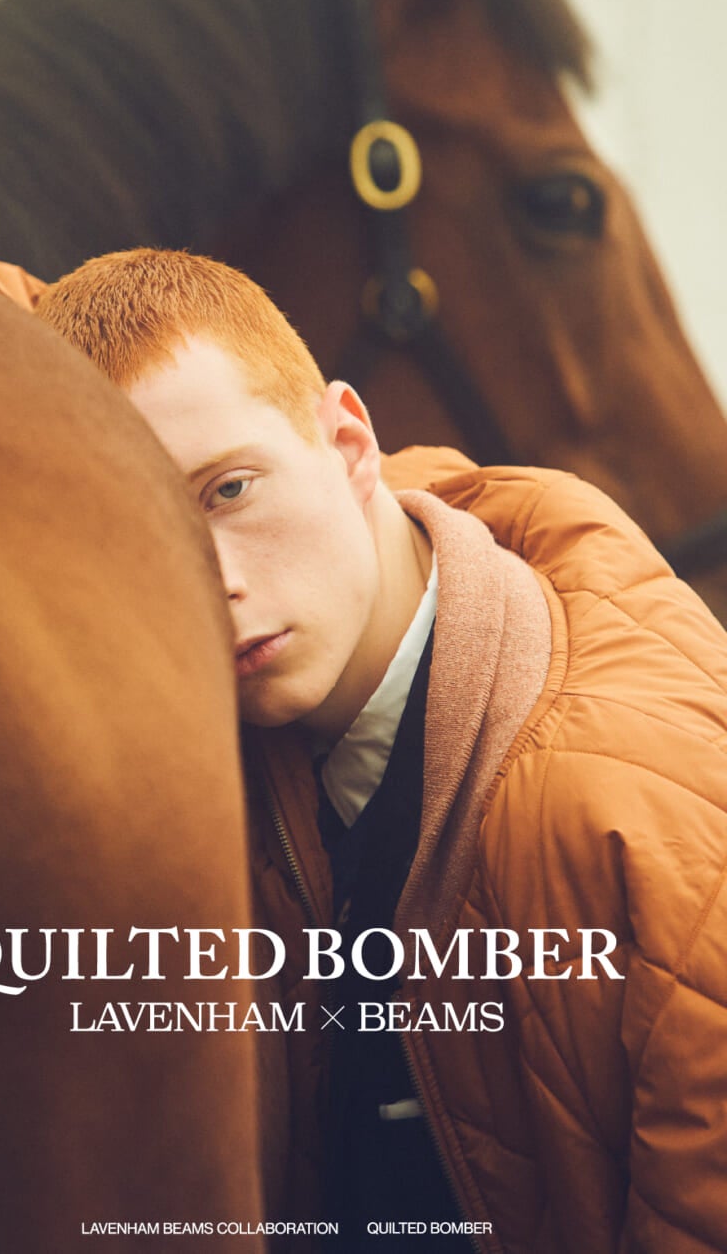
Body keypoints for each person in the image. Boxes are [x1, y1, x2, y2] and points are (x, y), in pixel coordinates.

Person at [37, 245, 727, 1254]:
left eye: (228, 491)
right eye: (139, 528)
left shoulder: (624, 808)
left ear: (351, 443)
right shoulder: (352, 588)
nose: (207, 578)